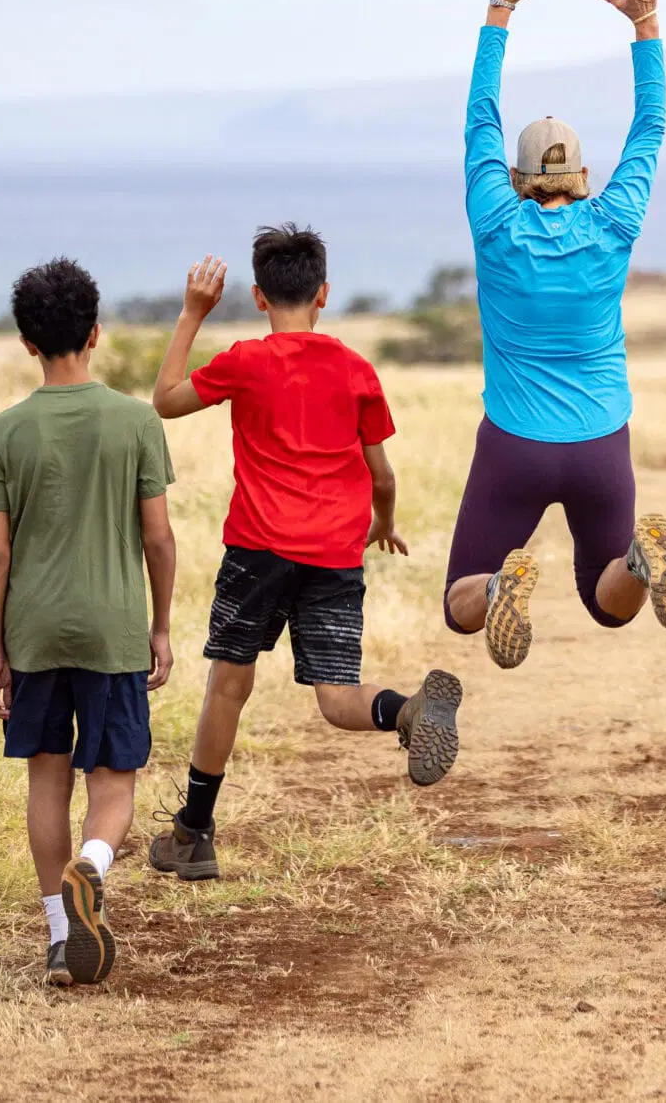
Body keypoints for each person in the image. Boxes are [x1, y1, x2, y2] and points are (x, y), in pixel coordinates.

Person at [143, 224, 463, 884]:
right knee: (337, 694)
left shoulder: (244, 360)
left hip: (258, 548)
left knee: (228, 687)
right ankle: (405, 710)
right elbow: (383, 473)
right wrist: (384, 522)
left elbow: (165, 401)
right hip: (333, 553)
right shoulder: (356, 370)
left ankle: (193, 835)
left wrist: (192, 313)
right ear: (324, 293)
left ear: (259, 296)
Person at [442, 0, 666, 667]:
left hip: (514, 444)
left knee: (460, 596)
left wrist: (500, 8)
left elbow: (480, 120)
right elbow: (649, 130)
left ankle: (495, 591)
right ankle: (639, 563)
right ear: (583, 174)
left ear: (517, 177)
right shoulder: (612, 222)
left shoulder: (496, 221)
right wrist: (645, 26)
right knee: (606, 598)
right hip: (600, 443)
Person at [0, 257, 178, 987]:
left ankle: (61, 937)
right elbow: (157, 537)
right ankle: (93, 866)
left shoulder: (5, 431)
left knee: (47, 781)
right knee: (114, 783)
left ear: (28, 341)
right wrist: (160, 625)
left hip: (33, 633)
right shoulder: (136, 421)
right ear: (95, 332)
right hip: (114, 629)